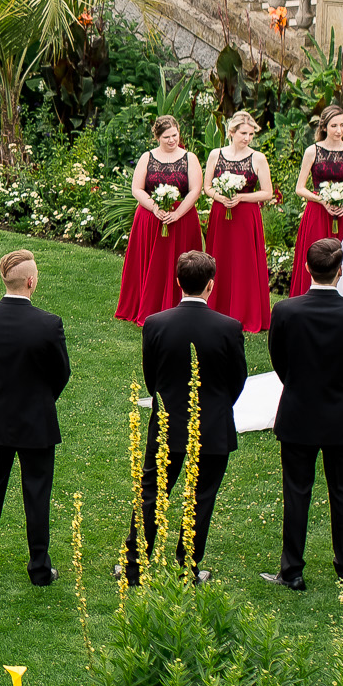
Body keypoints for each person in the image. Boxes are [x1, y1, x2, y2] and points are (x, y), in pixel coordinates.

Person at [125, 251, 246, 585]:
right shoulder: (229, 328)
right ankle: (187, 569)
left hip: (167, 426)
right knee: (201, 499)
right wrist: (218, 407)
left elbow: (154, 378)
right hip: (213, 428)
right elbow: (237, 380)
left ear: (178, 282)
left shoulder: (156, 323)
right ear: (211, 285)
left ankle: (134, 566)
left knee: (151, 492)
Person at [264, 239, 343, 591]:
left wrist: (300, 385)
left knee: (297, 492)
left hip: (299, 412)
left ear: (308, 269)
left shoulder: (286, 311)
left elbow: (279, 361)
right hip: (342, 414)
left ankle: (292, 570)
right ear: (340, 271)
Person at [0, 250, 69, 586]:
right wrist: (40, 398)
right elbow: (61, 373)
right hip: (37, 422)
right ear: (31, 281)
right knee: (37, 494)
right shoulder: (47, 323)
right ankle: (39, 568)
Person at [115, 116, 203, 325]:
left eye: (175, 135)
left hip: (181, 219)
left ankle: (180, 307)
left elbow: (195, 190)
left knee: (179, 263)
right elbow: (137, 188)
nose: (172, 140)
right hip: (150, 219)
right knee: (150, 263)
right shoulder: (148, 157)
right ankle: (145, 305)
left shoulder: (189, 158)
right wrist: (154, 207)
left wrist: (178, 213)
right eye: (166, 137)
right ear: (157, 137)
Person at [200, 110, 273, 333]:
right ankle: (218, 308)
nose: (247, 138)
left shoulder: (258, 158)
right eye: (243, 133)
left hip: (246, 217)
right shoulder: (216, 154)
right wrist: (219, 196)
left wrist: (241, 197)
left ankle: (245, 312)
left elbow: (267, 192)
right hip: (221, 215)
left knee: (245, 262)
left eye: (251, 134)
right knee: (220, 259)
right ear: (231, 132)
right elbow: (207, 187)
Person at [288, 106, 343, 298]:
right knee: (315, 255)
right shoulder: (313, 151)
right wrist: (322, 200)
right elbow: (300, 188)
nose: (339, 130)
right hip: (318, 213)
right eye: (334, 125)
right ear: (324, 127)